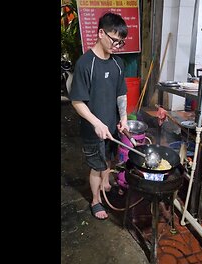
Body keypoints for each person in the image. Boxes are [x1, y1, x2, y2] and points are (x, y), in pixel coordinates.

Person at [69, 12, 129, 220]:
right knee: (97, 166)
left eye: (120, 43)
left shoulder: (117, 64)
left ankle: (105, 184)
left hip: (112, 126)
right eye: (114, 40)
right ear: (101, 33)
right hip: (92, 129)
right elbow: (77, 101)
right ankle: (96, 200)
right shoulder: (85, 64)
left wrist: (124, 118)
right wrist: (96, 123)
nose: (117, 46)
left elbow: (121, 93)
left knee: (109, 161)